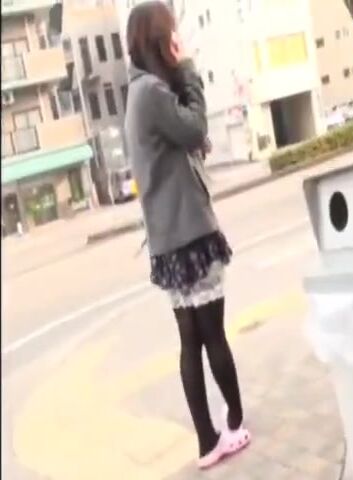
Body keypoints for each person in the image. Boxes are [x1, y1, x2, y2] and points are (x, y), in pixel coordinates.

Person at [124, 2, 250, 469]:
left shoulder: (141, 93)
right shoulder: (153, 91)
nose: (178, 41)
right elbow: (194, 126)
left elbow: (182, 141)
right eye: (173, 34)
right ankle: (234, 424)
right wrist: (189, 68)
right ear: (161, 40)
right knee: (212, 334)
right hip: (191, 234)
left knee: (191, 340)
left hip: (168, 242)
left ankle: (207, 440)